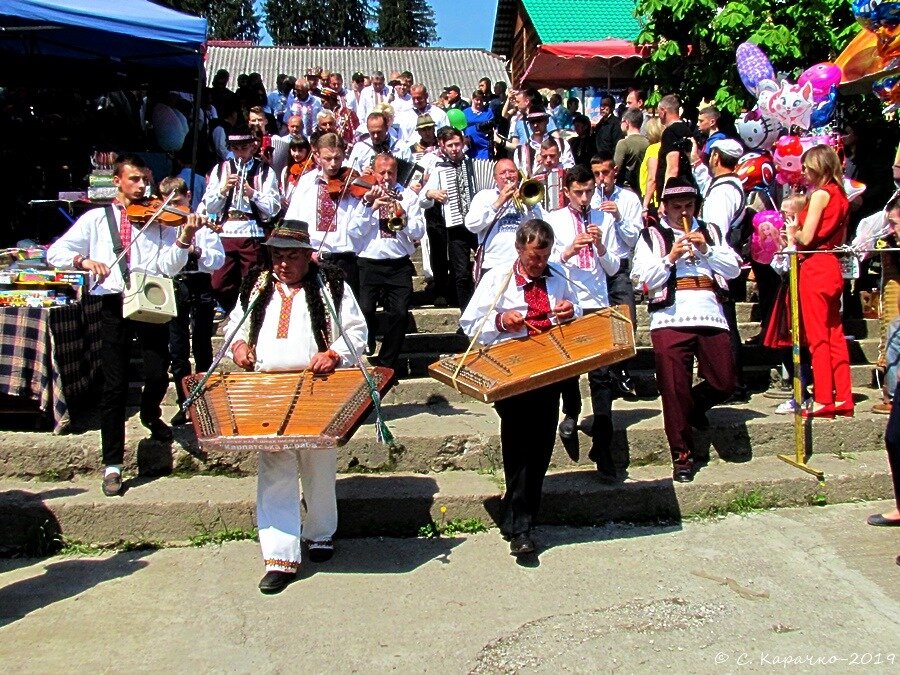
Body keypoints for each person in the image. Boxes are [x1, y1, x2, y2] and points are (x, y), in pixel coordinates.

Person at [46, 154, 204, 496]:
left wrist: (183, 239)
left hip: (149, 297)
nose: (143, 187)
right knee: (114, 386)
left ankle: (149, 415)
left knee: (156, 371)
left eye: (145, 180)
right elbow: (56, 252)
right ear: (117, 181)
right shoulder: (96, 219)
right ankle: (113, 463)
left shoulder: (161, 219)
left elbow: (169, 267)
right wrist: (84, 260)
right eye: (134, 180)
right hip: (113, 302)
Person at [226, 219, 367, 594]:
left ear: (308, 256)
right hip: (268, 388)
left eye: (291, 256)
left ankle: (320, 532)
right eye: (277, 255)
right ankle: (280, 558)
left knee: (318, 463)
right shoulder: (256, 286)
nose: (283, 263)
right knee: (275, 468)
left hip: (317, 385)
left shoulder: (331, 285)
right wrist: (239, 346)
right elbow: (234, 328)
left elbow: (356, 331)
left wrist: (335, 354)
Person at [459, 219, 581, 555]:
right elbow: (469, 323)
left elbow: (578, 308)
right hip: (510, 370)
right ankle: (521, 527)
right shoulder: (498, 278)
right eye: (532, 259)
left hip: (548, 369)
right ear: (518, 250)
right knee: (518, 443)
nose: (538, 264)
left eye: (543, 257)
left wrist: (571, 311)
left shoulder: (558, 275)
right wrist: (502, 320)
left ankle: (517, 515)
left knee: (540, 446)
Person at [631, 176, 741, 482]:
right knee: (674, 388)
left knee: (724, 382)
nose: (684, 213)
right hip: (670, 318)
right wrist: (671, 257)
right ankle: (681, 455)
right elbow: (643, 280)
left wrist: (707, 250)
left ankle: (692, 409)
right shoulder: (651, 236)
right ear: (664, 207)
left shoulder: (712, 231)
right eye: (676, 206)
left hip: (709, 312)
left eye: (689, 206)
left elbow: (733, 269)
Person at [545, 166, 624, 477]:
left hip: (599, 303)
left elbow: (615, 265)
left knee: (602, 376)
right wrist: (568, 251)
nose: (584, 198)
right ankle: (571, 413)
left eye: (589, 191)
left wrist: (601, 246)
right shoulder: (555, 219)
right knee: (569, 371)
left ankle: (603, 446)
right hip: (570, 302)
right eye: (578, 192)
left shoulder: (604, 218)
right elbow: (546, 262)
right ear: (566, 192)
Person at [785, 145, 853, 418]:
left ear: (818, 166)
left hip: (814, 265)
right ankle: (843, 397)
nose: (803, 172)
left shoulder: (820, 195)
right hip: (833, 265)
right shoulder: (842, 196)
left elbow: (807, 237)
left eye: (806, 167)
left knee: (817, 337)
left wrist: (793, 229)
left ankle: (824, 397)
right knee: (835, 334)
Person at [160, 177, 225, 426]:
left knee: (202, 346)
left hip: (200, 283)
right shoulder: (164, 225)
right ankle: (183, 402)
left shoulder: (203, 222)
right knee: (177, 350)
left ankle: (204, 401)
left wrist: (196, 252)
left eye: (178, 202)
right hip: (175, 285)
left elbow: (218, 260)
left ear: (188, 196)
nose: (174, 208)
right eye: (169, 204)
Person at [350, 154, 425, 367]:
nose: (386, 177)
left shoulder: (408, 196)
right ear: (373, 173)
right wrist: (369, 207)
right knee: (364, 310)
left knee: (400, 314)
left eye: (390, 173)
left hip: (398, 263)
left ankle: (387, 363)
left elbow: (418, 232)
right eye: (381, 172)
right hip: (368, 262)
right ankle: (369, 339)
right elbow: (354, 232)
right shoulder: (364, 195)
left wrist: (404, 217)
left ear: (397, 173)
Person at [691, 137, 750, 400]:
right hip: (719, 261)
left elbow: (715, 231)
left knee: (725, 324)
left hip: (718, 264)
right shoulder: (728, 186)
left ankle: (733, 382)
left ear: (716, 157)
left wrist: (711, 257)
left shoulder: (724, 191)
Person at [203, 127, 281, 315]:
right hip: (226, 231)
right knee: (220, 283)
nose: (240, 153)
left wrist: (252, 193)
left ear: (253, 147)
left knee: (254, 282)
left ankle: (250, 317)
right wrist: (223, 190)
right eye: (235, 148)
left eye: (244, 148)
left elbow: (274, 207)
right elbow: (210, 207)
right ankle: (233, 313)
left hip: (252, 232)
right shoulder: (221, 169)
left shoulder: (264, 171)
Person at [284, 133, 370, 297]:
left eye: (337, 158)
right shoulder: (306, 182)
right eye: (327, 158)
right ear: (316, 156)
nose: (333, 164)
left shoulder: (352, 183)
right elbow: (293, 219)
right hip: (314, 258)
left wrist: (368, 200)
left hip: (346, 259)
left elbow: (360, 227)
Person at [591, 152, 644, 397]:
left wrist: (619, 217)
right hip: (594, 265)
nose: (601, 179)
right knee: (600, 322)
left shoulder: (629, 199)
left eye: (605, 173)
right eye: (596, 174)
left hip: (620, 264)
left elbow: (634, 239)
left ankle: (620, 369)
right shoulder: (588, 198)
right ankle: (603, 375)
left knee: (626, 319)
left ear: (615, 172)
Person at [421, 127, 485, 309]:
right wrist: (429, 193)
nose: (455, 148)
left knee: (487, 267)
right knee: (461, 273)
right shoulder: (440, 170)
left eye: (458, 144)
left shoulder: (475, 164)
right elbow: (422, 200)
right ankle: (466, 314)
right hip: (457, 227)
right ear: (443, 147)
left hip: (479, 226)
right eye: (451, 145)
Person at [465, 158, 545, 280]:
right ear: (495, 178)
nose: (508, 176)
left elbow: (540, 227)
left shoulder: (528, 196)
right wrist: (498, 203)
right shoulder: (484, 196)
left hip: (523, 263)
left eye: (512, 171)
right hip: (493, 264)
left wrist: (528, 206)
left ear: (517, 174)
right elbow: (471, 225)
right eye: (502, 173)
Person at [655, 94, 695, 202]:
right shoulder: (687, 131)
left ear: (663, 111)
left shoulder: (670, 133)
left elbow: (672, 168)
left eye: (658, 111)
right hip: (688, 189)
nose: (658, 115)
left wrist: (665, 198)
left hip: (674, 196)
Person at [345, 111, 412, 172]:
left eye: (379, 132)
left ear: (386, 128)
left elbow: (412, 172)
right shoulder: (359, 148)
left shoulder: (401, 146)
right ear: (368, 129)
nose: (376, 136)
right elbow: (350, 173)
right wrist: (362, 175)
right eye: (372, 132)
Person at [614, 108, 649, 198]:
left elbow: (616, 169)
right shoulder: (648, 142)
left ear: (627, 122)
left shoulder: (623, 143)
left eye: (621, 121)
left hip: (626, 188)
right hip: (643, 187)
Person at [640, 117, 664, 219]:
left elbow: (652, 178)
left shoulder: (653, 148)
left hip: (653, 200)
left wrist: (645, 206)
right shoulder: (665, 146)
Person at [464, 91, 494, 160]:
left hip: (484, 146)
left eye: (481, 100)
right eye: (477, 100)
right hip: (469, 146)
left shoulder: (488, 112)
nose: (479, 102)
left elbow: (493, 127)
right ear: (473, 99)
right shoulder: (466, 112)